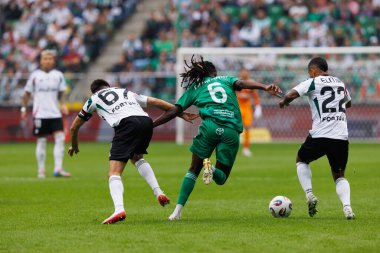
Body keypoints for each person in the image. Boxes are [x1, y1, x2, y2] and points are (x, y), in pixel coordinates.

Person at [153, 56, 282, 220]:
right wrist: (264, 86)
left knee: (193, 169)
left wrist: (151, 126)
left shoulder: (196, 87)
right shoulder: (226, 79)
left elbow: (174, 110)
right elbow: (241, 84)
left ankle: (176, 212)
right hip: (230, 131)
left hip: (209, 127)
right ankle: (211, 169)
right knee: (221, 178)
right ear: (213, 72)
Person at [68, 79, 197, 224]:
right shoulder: (125, 92)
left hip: (126, 124)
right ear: (108, 87)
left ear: (95, 91)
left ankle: (119, 209)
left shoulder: (93, 98)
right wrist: (180, 113)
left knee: (114, 172)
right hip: (146, 122)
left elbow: (74, 127)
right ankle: (158, 192)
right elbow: (155, 101)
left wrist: (74, 145)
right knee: (137, 157)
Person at [279, 57, 355, 219]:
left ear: (313, 70)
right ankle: (347, 208)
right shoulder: (340, 83)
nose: (310, 75)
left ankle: (309, 194)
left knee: (301, 159)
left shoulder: (313, 82)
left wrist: (284, 101)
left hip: (320, 135)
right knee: (339, 175)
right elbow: (348, 104)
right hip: (341, 136)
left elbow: (291, 94)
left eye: (310, 73)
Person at [21, 50, 71, 178]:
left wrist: (64, 104)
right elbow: (26, 94)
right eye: (45, 58)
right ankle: (41, 170)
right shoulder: (35, 76)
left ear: (53, 60)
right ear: (41, 61)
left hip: (55, 113)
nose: (48, 61)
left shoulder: (58, 75)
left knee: (60, 139)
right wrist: (23, 109)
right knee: (41, 141)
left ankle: (58, 169)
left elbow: (62, 93)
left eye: (50, 58)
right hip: (40, 114)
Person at [236, 67, 262, 156]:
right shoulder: (236, 82)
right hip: (237, 107)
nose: (244, 73)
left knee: (247, 127)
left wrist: (258, 107)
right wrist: (241, 95)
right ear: (240, 72)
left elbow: (255, 96)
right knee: (234, 128)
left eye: (246, 72)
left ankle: (246, 148)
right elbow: (231, 93)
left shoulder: (251, 83)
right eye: (243, 71)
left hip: (247, 108)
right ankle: (232, 147)